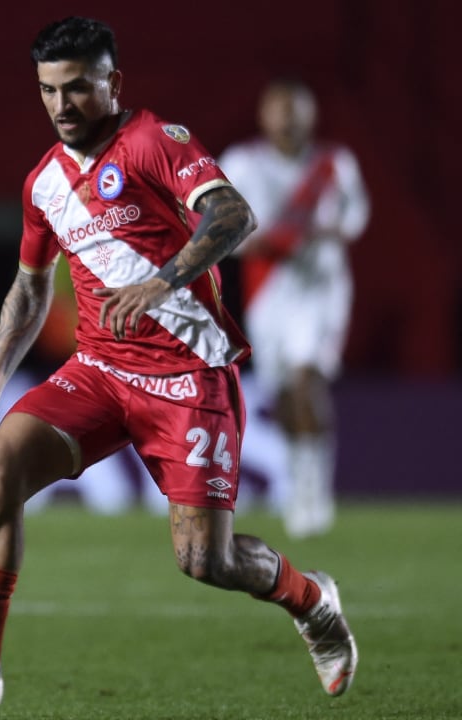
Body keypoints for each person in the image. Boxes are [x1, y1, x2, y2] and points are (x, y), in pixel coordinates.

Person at [0, 17, 356, 711]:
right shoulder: (43, 181)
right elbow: (29, 287)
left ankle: (313, 599)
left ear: (113, 83)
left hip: (189, 377)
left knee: (207, 561)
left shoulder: (153, 142)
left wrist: (161, 281)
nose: (62, 104)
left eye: (78, 87)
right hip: (101, 372)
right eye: (49, 90)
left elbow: (234, 216)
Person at [218, 78, 370, 539]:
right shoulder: (242, 162)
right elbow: (216, 221)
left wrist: (320, 232)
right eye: (280, 109)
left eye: (296, 109)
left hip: (321, 289)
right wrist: (252, 243)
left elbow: (354, 220)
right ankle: (296, 478)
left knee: (308, 379)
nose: (288, 118)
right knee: (284, 393)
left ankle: (313, 491)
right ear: (265, 115)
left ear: (311, 115)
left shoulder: (335, 164)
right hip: (269, 292)